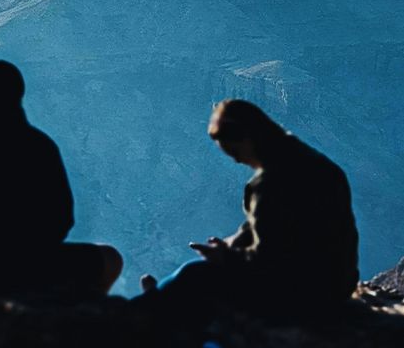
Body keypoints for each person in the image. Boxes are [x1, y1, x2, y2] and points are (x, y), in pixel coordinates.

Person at [139, 99, 359, 314]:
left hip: (304, 294)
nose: (236, 161)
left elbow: (269, 263)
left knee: (194, 275)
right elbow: (280, 225)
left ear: (249, 138)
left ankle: (150, 307)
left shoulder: (268, 184)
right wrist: (233, 242)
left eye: (234, 152)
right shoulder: (317, 163)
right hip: (339, 283)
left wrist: (225, 258)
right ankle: (156, 300)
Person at [0, 59, 122, 294]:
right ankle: (89, 312)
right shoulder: (39, 146)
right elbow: (61, 220)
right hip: (14, 267)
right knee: (109, 259)